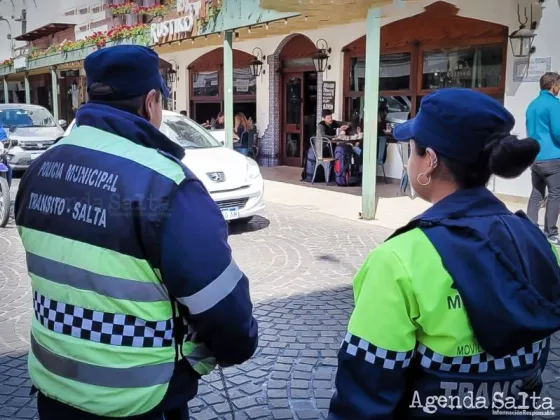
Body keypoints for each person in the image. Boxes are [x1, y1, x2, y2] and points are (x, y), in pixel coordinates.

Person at [15, 45, 258, 419]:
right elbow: (226, 314)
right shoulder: (166, 184)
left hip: (54, 387)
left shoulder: (39, 171)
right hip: (138, 400)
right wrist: (232, 349)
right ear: (151, 102)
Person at [328, 89, 560, 419]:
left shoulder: (398, 260)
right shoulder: (540, 245)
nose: (410, 159)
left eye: (412, 151)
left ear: (430, 160)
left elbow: (366, 390)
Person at [526, 72, 560, 245]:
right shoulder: (554, 104)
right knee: (556, 193)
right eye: (559, 85)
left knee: (536, 193)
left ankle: (531, 229)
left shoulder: (532, 105)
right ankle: (551, 233)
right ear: (553, 85)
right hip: (553, 158)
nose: (559, 89)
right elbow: (557, 131)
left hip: (535, 157)